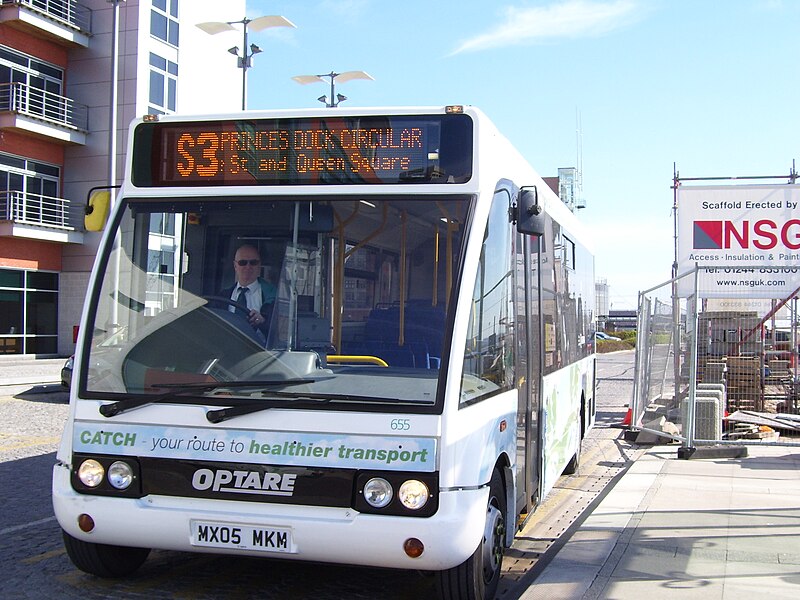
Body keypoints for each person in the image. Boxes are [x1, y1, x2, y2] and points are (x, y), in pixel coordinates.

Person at [220, 244, 276, 336]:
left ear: (259, 265)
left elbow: (280, 331)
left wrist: (262, 322)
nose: (248, 267)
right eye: (243, 263)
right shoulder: (222, 296)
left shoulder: (273, 296)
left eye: (253, 262)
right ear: (235, 266)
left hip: (261, 348)